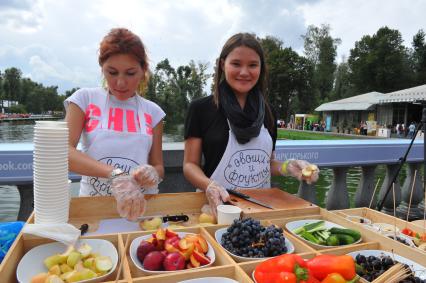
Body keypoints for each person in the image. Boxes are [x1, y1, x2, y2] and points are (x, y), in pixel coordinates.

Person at [183, 33, 319, 219]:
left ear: (261, 68)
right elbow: (190, 165)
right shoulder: (201, 108)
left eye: (253, 65)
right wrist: (210, 185)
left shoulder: (268, 112)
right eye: (236, 64)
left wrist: (289, 167)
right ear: (223, 64)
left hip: (261, 212)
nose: (245, 72)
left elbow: (266, 163)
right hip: (215, 210)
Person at [64, 28, 165, 220]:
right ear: (102, 67)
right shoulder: (84, 99)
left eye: (130, 73)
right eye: (112, 72)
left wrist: (152, 173)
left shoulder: (153, 112)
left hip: (141, 210)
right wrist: (115, 175)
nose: (120, 82)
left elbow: (159, 166)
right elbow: (64, 152)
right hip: (93, 209)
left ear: (143, 70)